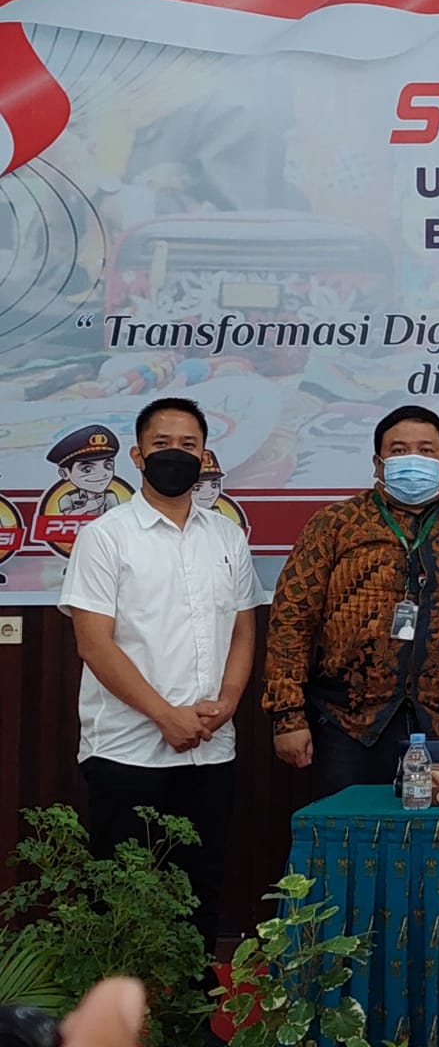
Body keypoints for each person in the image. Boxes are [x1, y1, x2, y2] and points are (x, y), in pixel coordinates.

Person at [58, 397, 260, 955]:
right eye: (162, 444)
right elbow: (93, 643)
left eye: (188, 445)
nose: (176, 454)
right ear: (138, 455)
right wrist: (164, 715)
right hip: (127, 751)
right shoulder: (106, 536)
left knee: (201, 894)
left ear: (205, 455)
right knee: (121, 899)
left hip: (210, 749)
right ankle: (123, 1007)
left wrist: (227, 702)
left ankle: (192, 1003)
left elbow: (243, 630)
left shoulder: (227, 537)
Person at [263, 405, 439, 797]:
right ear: (378, 463)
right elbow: (291, 621)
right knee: (352, 832)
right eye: (399, 450)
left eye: (426, 450)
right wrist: (288, 716)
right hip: (349, 725)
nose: (413, 459)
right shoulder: (334, 524)